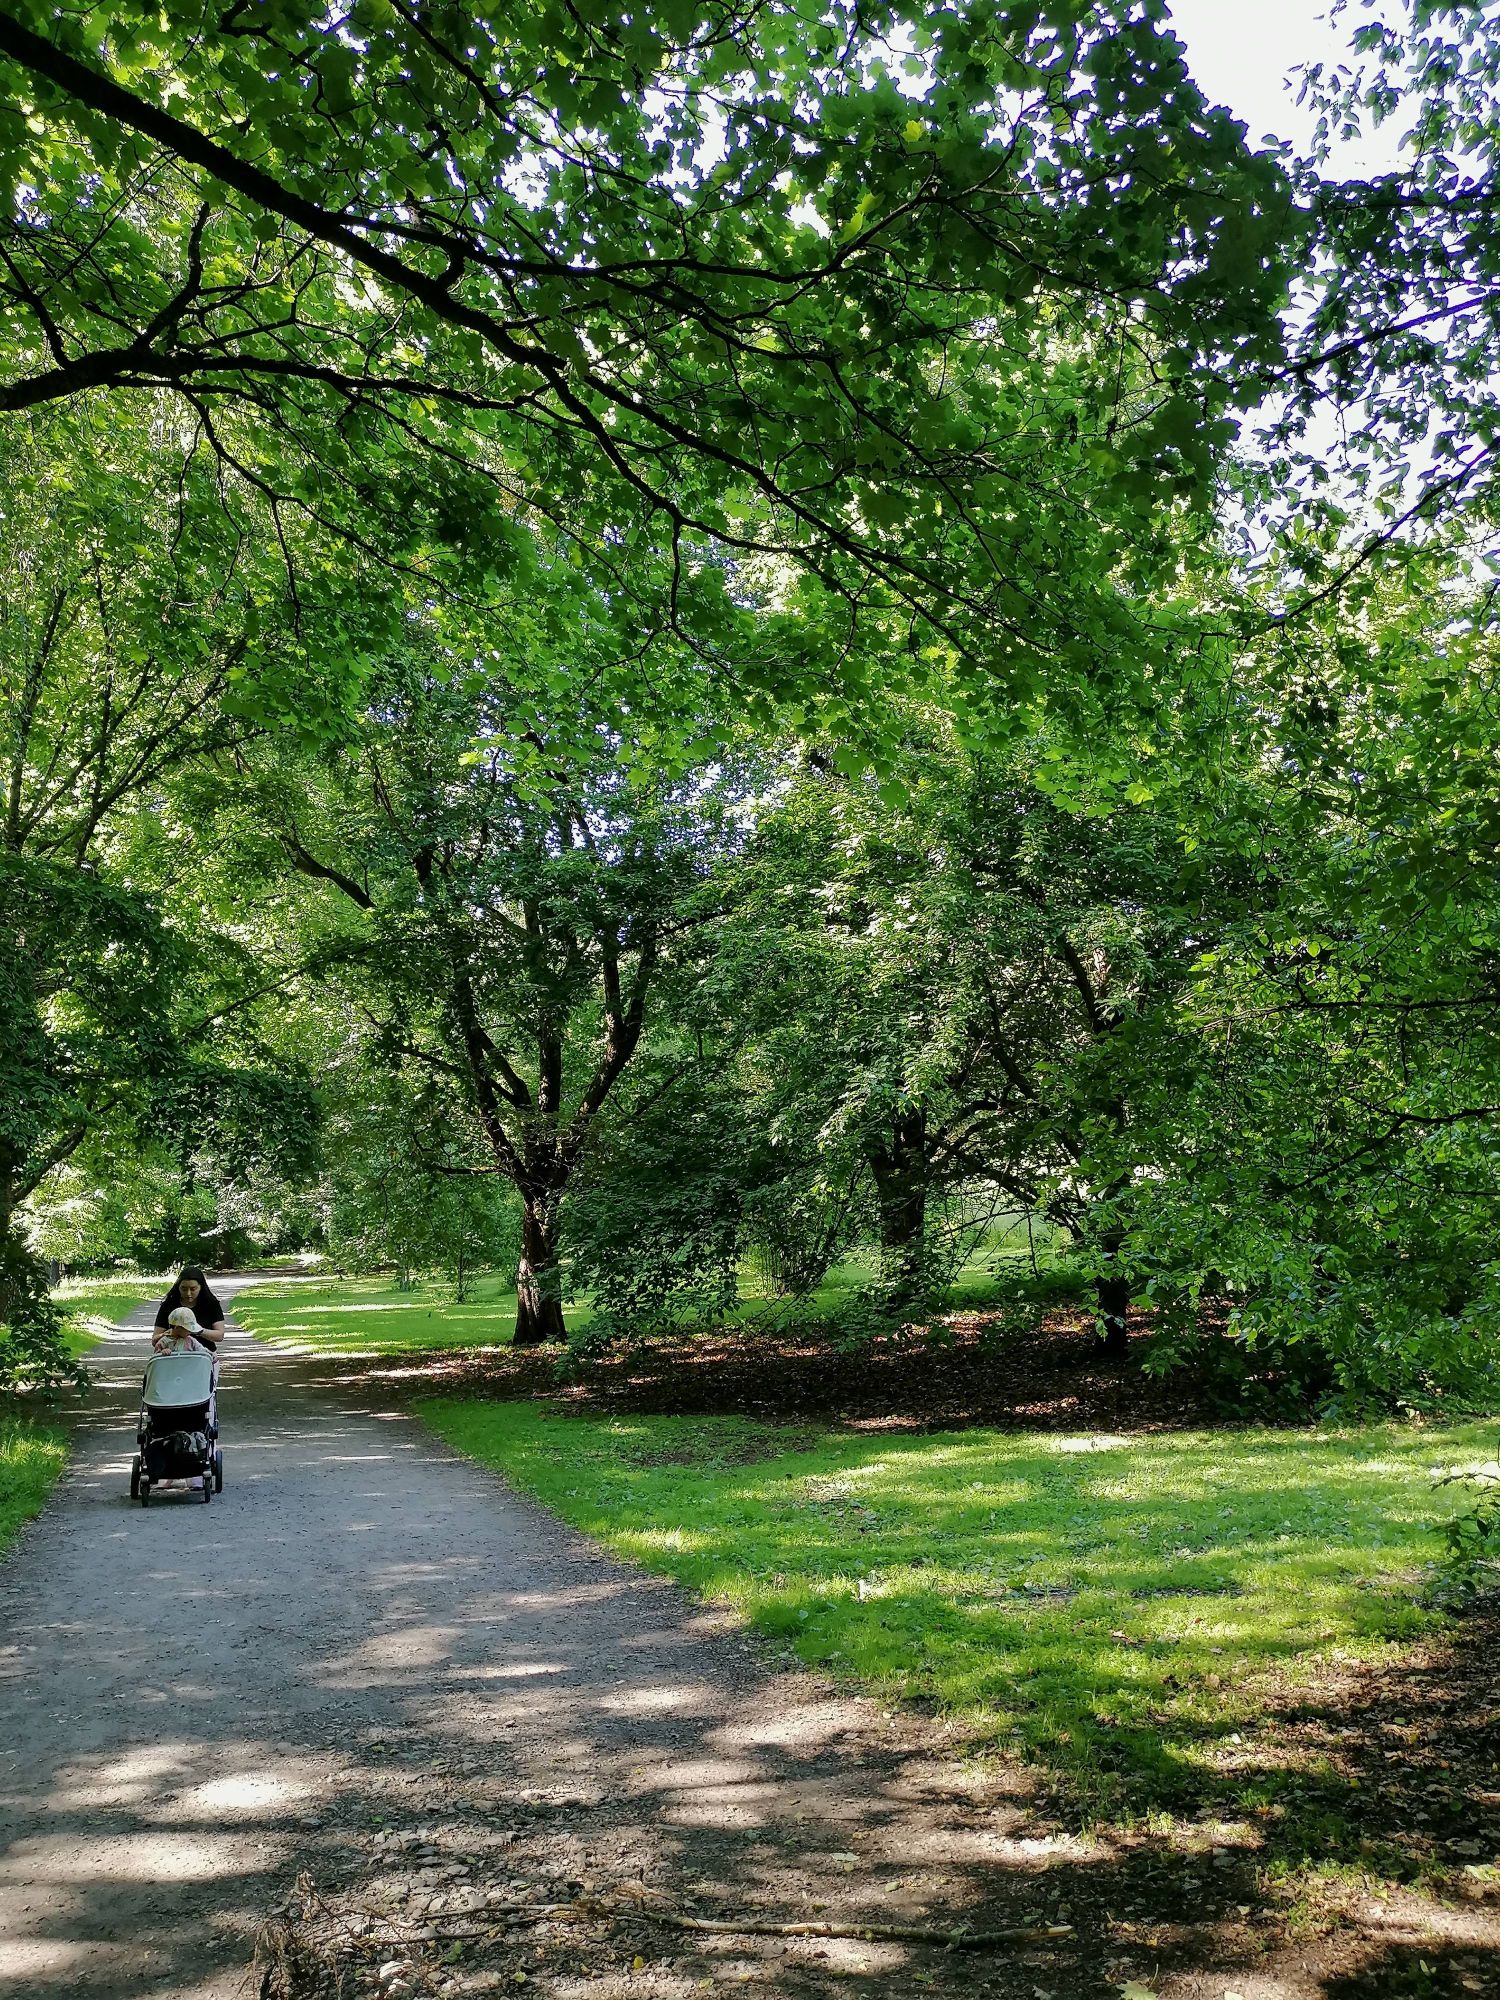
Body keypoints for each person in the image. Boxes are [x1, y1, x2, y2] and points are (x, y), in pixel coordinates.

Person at [153, 1267, 228, 1351]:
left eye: (193, 1289)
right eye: (184, 1289)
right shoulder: (168, 1305)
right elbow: (154, 1340)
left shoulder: (211, 1304)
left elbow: (219, 1336)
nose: (188, 1293)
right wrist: (169, 1334)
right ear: (178, 1287)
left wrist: (197, 1330)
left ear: (201, 1287)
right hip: (173, 1355)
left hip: (205, 1354)